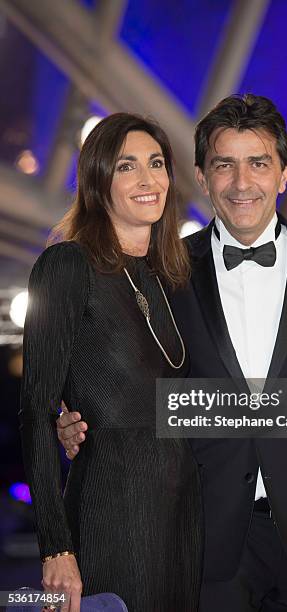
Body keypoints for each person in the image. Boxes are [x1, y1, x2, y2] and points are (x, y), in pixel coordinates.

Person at [58, 94, 287, 612]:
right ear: (202, 177)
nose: (241, 182)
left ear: (282, 175)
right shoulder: (162, 273)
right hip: (200, 540)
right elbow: (129, 382)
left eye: (258, 163)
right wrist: (77, 418)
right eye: (223, 164)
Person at [20, 113, 203, 612]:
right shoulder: (66, 266)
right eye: (127, 166)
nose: (148, 179)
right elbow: (36, 413)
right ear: (99, 179)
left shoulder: (170, 277)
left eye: (157, 163)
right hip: (110, 519)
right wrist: (56, 547)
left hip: (183, 525)